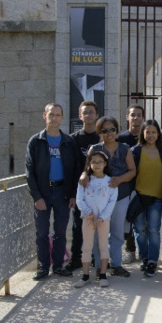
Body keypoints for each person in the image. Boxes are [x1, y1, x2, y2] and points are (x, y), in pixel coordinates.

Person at [25, 103, 78, 280]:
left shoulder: (69, 142)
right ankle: (43, 267)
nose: (54, 118)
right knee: (41, 232)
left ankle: (58, 266)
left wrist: (72, 194)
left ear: (62, 117)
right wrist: (37, 196)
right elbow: (29, 172)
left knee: (60, 231)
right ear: (44, 116)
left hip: (62, 191)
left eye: (57, 115)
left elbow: (75, 170)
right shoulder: (36, 141)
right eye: (51, 115)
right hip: (43, 191)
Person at [81, 116, 136, 278]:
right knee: (99, 231)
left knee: (117, 231)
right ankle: (100, 265)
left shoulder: (124, 148)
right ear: (99, 133)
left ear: (116, 130)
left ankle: (117, 264)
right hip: (100, 198)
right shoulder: (95, 149)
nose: (109, 133)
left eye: (111, 129)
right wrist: (83, 176)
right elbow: (87, 169)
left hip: (120, 196)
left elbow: (132, 171)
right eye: (104, 130)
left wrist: (120, 179)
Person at [131, 120, 162, 277]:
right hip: (139, 197)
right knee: (139, 230)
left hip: (157, 198)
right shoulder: (135, 151)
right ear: (143, 133)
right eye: (148, 132)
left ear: (158, 134)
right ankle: (145, 258)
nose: (151, 135)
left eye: (154, 132)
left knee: (153, 230)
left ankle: (153, 260)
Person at [74, 150, 118, 288]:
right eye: (94, 162)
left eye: (100, 162)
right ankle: (85, 275)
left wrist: (102, 217)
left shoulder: (110, 182)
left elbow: (112, 202)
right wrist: (89, 214)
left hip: (103, 220)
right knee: (87, 246)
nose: (97, 165)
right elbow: (79, 199)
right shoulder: (85, 181)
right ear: (89, 164)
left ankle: (103, 275)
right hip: (88, 219)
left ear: (105, 164)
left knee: (103, 245)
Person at [65, 100, 100, 273]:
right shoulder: (73, 139)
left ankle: (96, 257)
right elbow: (71, 169)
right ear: (80, 116)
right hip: (80, 192)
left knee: (98, 225)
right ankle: (75, 259)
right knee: (77, 227)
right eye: (85, 112)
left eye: (91, 112)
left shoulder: (101, 139)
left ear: (97, 115)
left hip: (99, 192)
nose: (88, 115)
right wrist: (72, 194)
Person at [117, 104, 145, 265]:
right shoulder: (121, 139)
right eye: (133, 115)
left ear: (143, 117)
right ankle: (130, 250)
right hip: (127, 184)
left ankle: (144, 251)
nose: (136, 118)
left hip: (145, 184)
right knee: (128, 218)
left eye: (139, 115)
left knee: (144, 222)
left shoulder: (148, 136)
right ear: (127, 117)